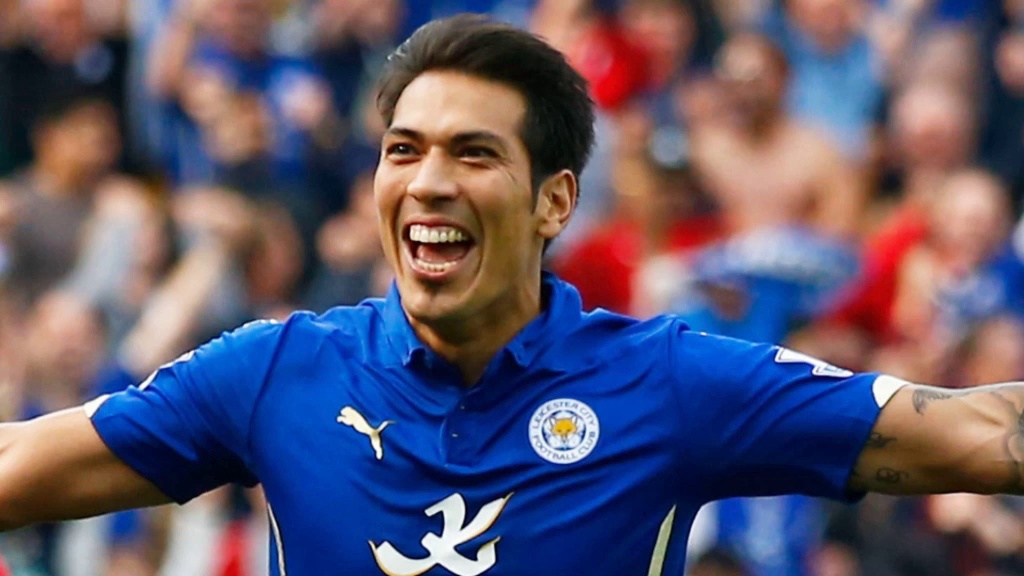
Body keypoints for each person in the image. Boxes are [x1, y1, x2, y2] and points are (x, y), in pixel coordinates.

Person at [3, 14, 1024, 576]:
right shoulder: (275, 373)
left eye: (474, 153)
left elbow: (975, 434)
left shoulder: (668, 384)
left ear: (554, 201)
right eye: (403, 150)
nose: (428, 182)